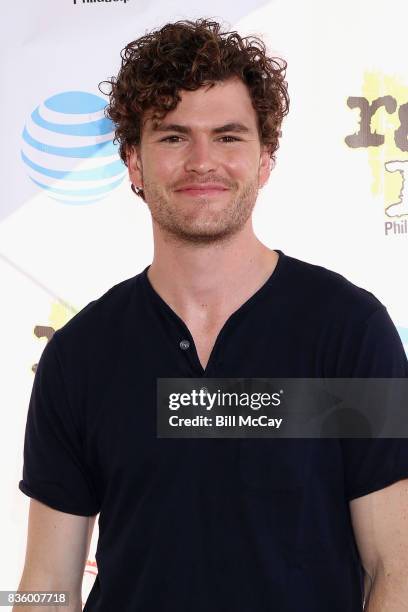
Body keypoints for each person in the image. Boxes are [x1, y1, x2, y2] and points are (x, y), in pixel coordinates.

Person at [16, 17, 408, 612]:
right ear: (134, 163)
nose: (203, 161)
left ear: (265, 160)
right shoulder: (79, 355)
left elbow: (396, 569)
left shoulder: (349, 331)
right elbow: (47, 584)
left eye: (228, 136)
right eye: (173, 137)